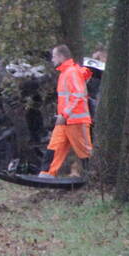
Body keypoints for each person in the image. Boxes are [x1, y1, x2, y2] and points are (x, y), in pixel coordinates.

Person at [39, 44, 92, 178]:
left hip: (76, 120)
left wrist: (65, 114)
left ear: (62, 56)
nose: (52, 59)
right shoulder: (65, 73)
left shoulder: (72, 72)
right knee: (54, 146)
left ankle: (94, 178)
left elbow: (78, 94)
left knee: (85, 151)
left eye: (54, 56)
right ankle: (46, 175)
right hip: (65, 120)